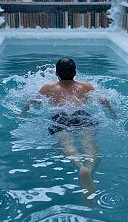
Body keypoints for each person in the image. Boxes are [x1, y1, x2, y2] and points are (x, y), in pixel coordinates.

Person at [22, 57, 116, 198]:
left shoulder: (48, 88)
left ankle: (80, 166)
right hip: (81, 115)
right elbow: (104, 101)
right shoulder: (86, 86)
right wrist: (113, 113)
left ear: (56, 73)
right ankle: (88, 170)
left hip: (59, 117)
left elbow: (32, 102)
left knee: (67, 145)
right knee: (89, 144)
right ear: (75, 72)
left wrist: (24, 111)